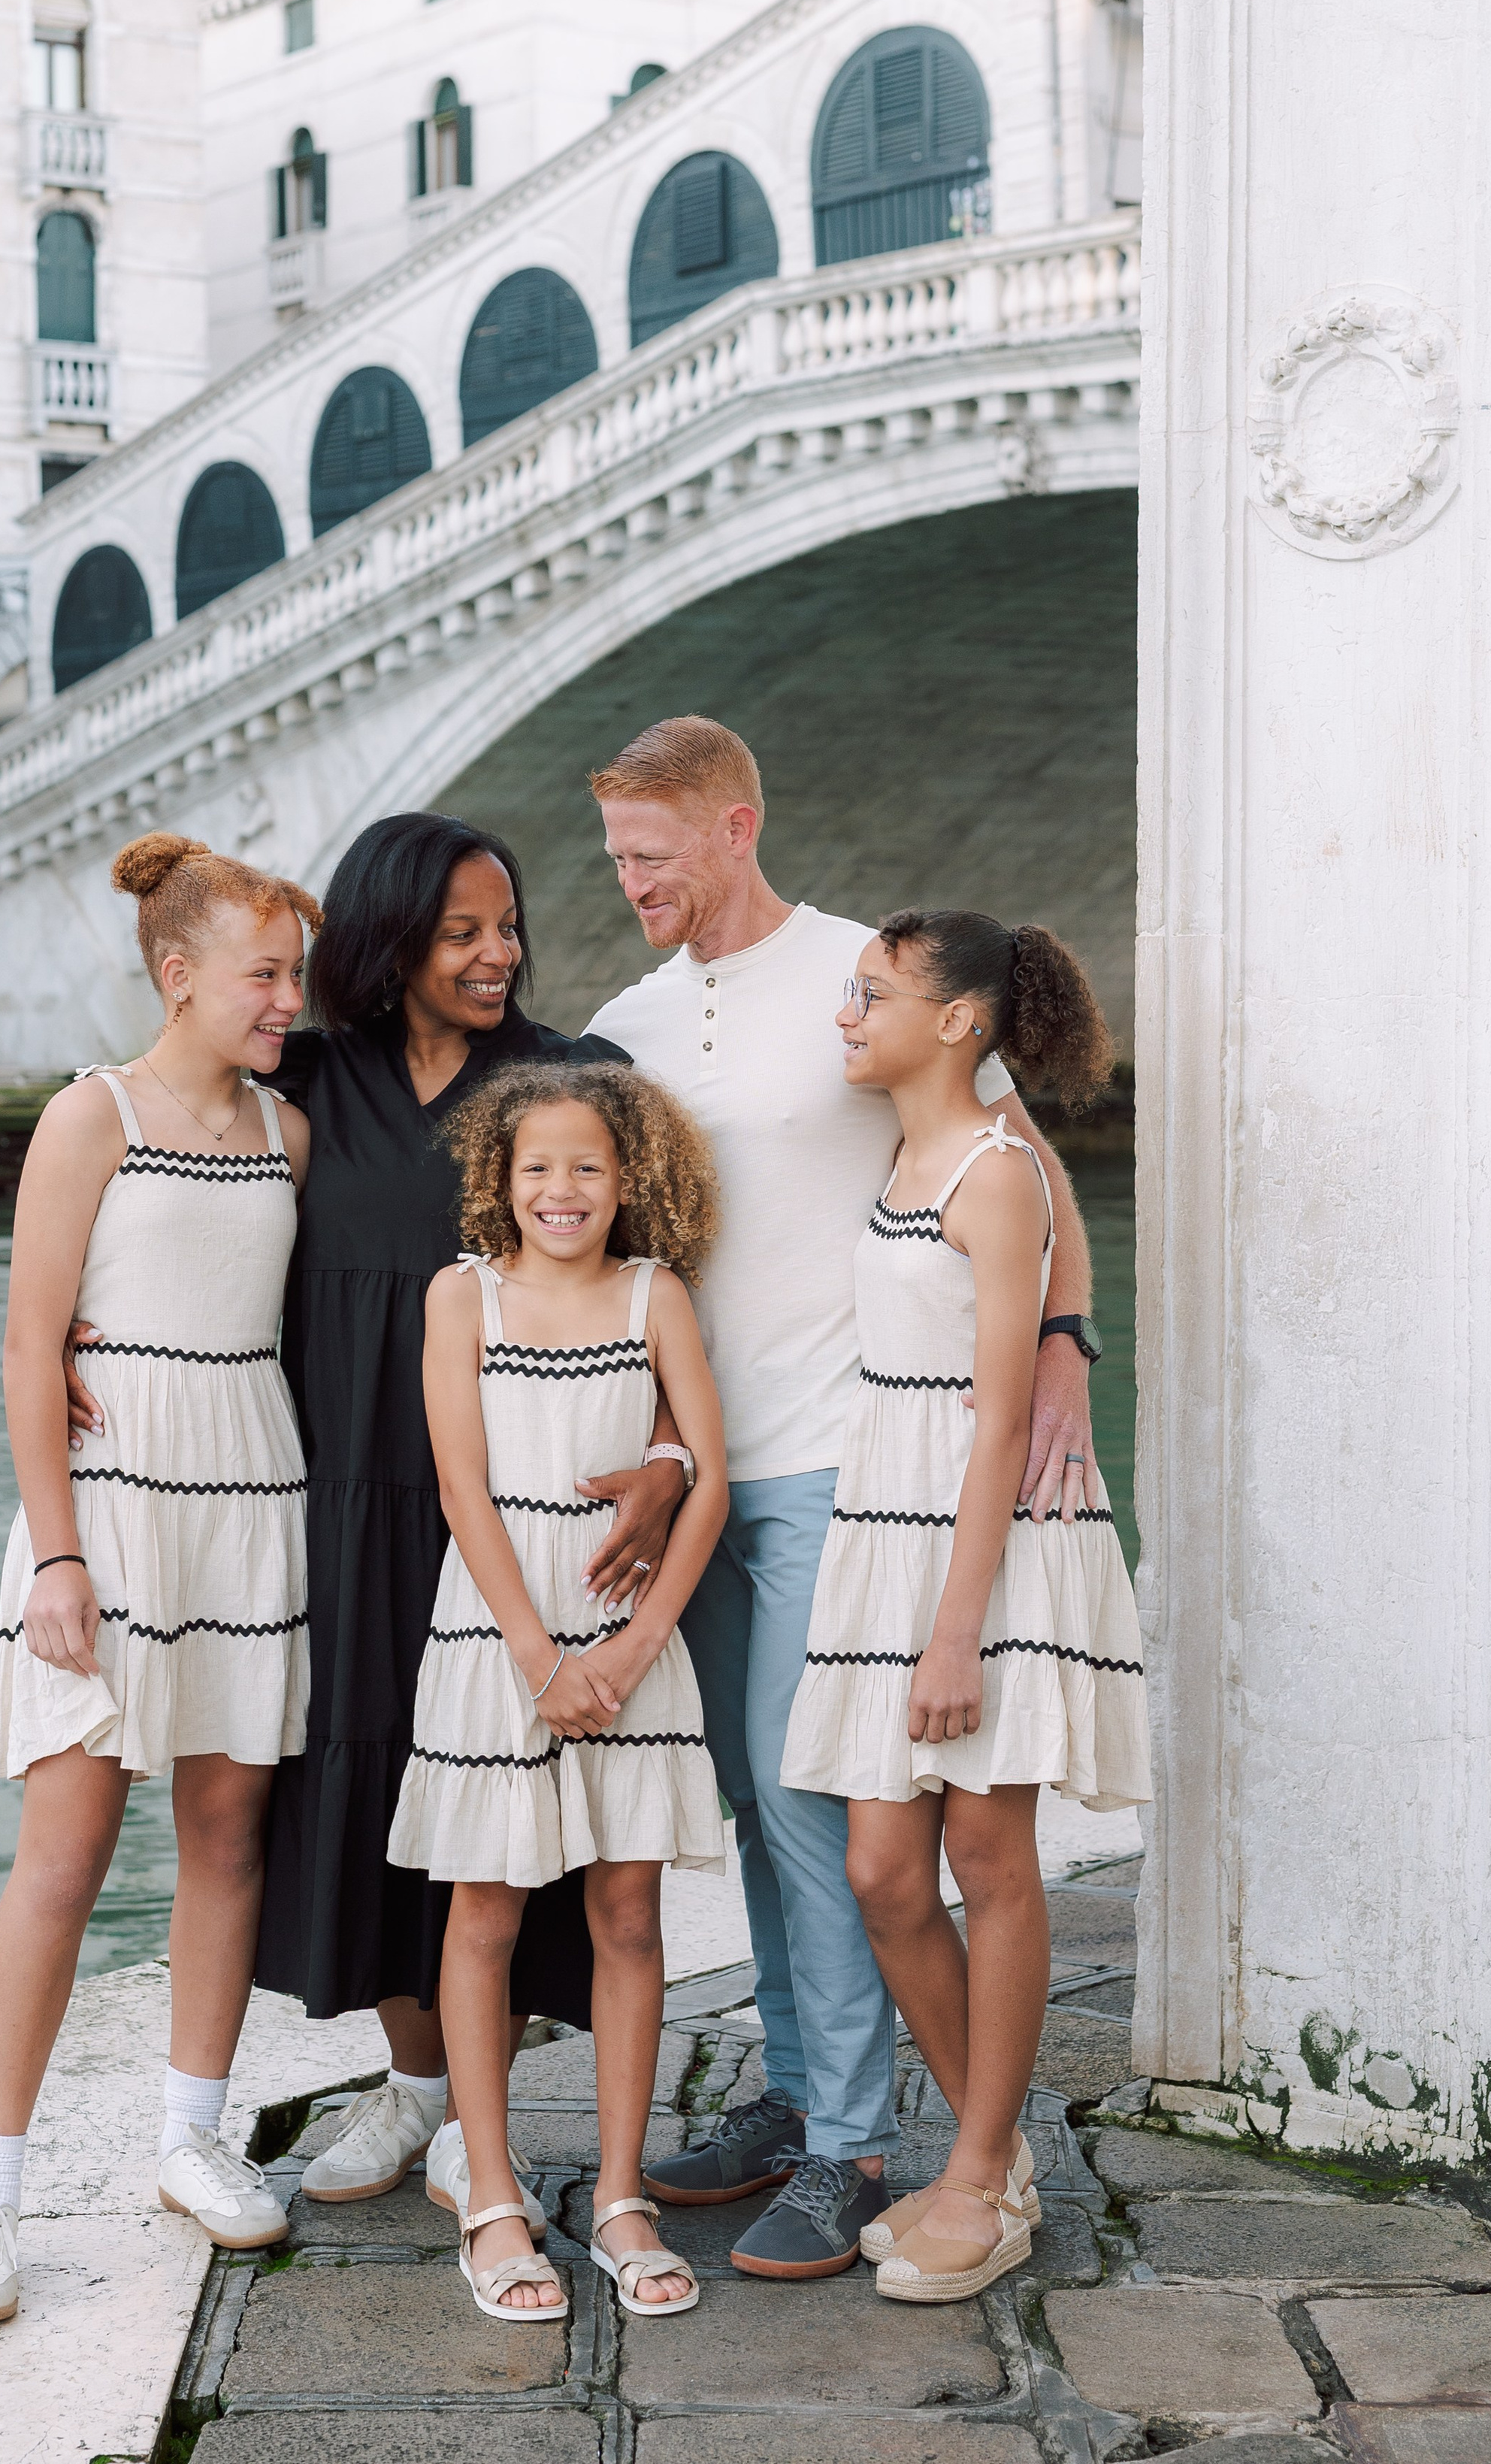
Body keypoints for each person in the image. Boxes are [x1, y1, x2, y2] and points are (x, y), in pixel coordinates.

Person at [584, 719, 1104, 2279]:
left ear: (732, 825)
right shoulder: (625, 1021)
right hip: (698, 1466)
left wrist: (1065, 1340)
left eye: (650, 855)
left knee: (819, 1813)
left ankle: (849, 2145)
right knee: (756, 1796)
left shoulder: (858, 984)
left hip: (847, 1464)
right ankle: (803, 2082)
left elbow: (1019, 1167)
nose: (629, 883)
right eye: (612, 857)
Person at [241, 813, 687, 2214]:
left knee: (539, 1816)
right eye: (461, 933)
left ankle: (485, 2116)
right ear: (388, 941)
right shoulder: (312, 1078)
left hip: (538, 1510)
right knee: (374, 1787)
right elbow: (172, 1180)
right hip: (347, 1500)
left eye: (507, 929)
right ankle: (420, 2091)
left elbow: (673, 1295)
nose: (498, 954)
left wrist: (670, 1462)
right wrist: (80, 1332)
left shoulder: (577, 1083)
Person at [0, 834, 317, 2328]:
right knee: (65, 1851)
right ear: (178, 975)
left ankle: (188, 2137)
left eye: (291, 972)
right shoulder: (87, 1116)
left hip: (250, 1498)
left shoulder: (290, 1134)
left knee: (225, 1837)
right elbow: (33, 1344)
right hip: (108, 1513)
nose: (287, 997)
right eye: (261, 973)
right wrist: (60, 1553)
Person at [783, 911, 1148, 2302]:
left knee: (991, 1860)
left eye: (870, 996)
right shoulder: (918, 1137)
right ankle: (990, 2157)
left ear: (956, 1021)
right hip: (889, 1517)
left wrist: (955, 1629)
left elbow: (1002, 1422)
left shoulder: (994, 1176)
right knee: (885, 1870)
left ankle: (981, 2175)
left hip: (977, 1539)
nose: (846, 1015)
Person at [391, 1061, 728, 2323]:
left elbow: (712, 1485)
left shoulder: (657, 1297)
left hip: (629, 1643)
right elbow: (462, 1490)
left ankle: (624, 2195)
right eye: (537, 1167)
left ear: (627, 1180)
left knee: (629, 1914)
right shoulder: (460, 1296)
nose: (563, 1189)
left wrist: (635, 1648)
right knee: (482, 1912)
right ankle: (490, 2197)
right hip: (498, 1640)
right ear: (501, 1181)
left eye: (588, 1165)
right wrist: (537, 1657)